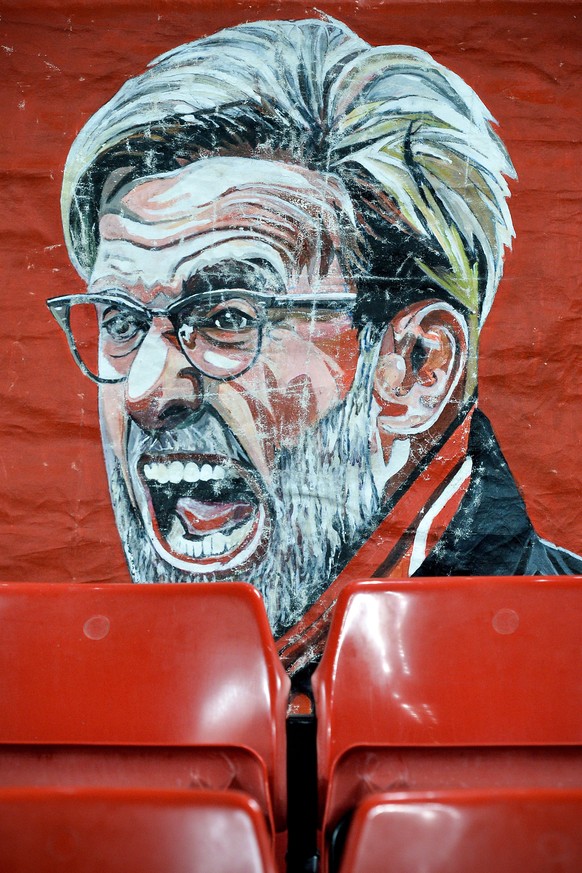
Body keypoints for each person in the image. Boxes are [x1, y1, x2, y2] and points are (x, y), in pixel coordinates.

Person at [49, 16, 581, 674]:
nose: (146, 391)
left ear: (417, 368)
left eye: (226, 315)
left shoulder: (562, 667)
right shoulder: (83, 685)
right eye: (123, 321)